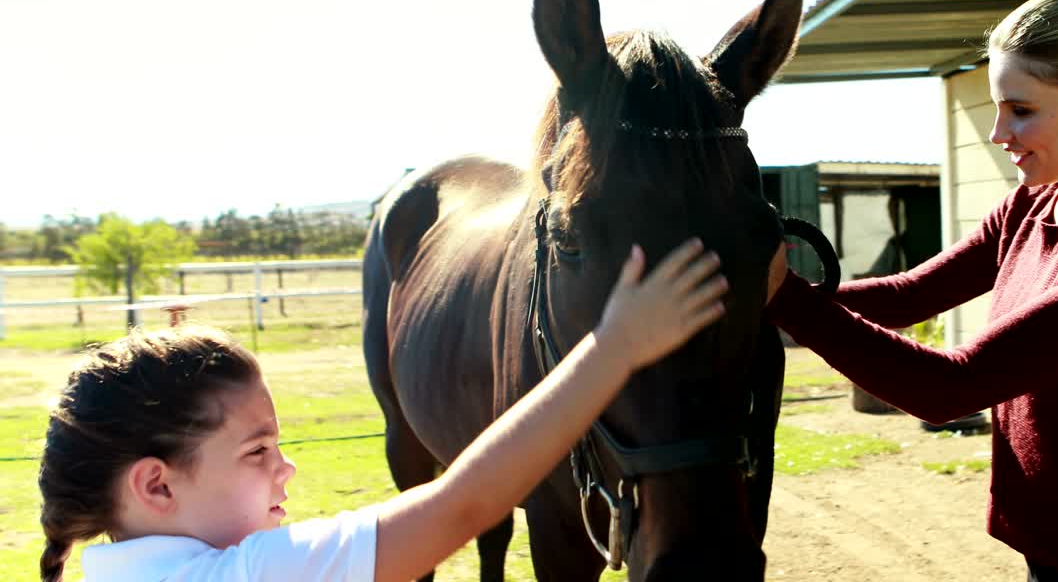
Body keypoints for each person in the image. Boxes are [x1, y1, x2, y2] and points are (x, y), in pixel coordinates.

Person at [766, 0, 1058, 581]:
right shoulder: (1034, 204)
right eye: (998, 107)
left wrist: (784, 297)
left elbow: (951, 387)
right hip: (1052, 553)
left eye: (1021, 109)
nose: (1000, 132)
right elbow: (909, 295)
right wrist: (752, 297)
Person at [38, 239, 727, 582]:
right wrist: (614, 347)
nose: (287, 468)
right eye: (257, 451)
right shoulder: (247, 573)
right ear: (156, 484)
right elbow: (461, 505)